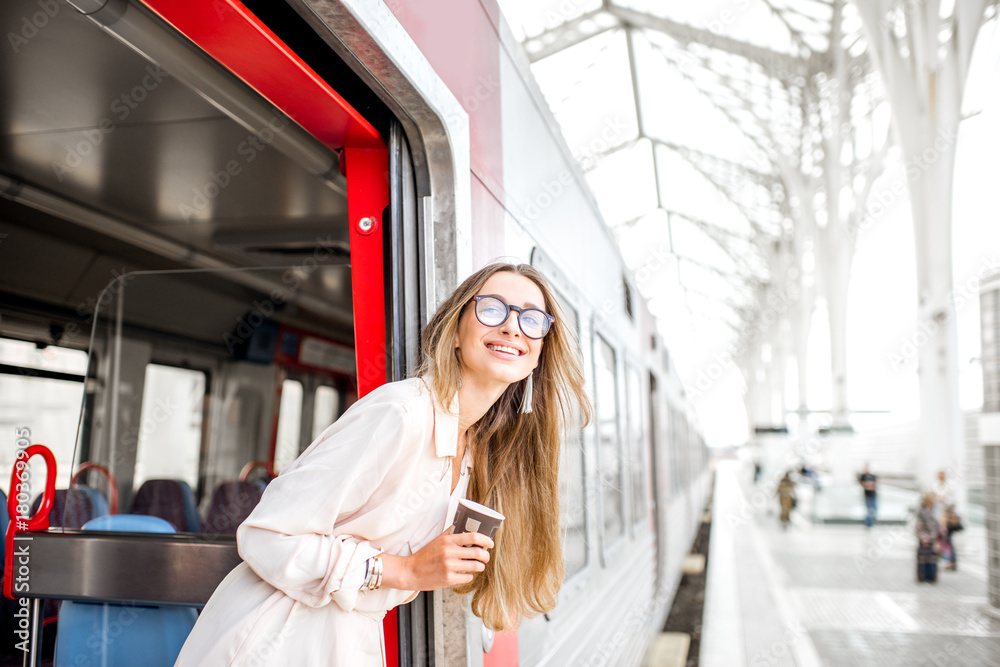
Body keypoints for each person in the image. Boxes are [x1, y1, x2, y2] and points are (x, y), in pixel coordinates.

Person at [175, 263, 591, 665]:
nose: (512, 326)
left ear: (538, 352)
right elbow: (267, 537)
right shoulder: (401, 414)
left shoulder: (475, 447)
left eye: (532, 318)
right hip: (273, 638)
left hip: (344, 641)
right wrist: (404, 570)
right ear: (456, 331)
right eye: (492, 309)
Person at [932, 470, 958, 570]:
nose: (941, 478)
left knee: (949, 540)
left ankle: (951, 562)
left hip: (946, 518)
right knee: (939, 540)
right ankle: (942, 560)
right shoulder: (935, 487)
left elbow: (952, 502)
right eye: (939, 476)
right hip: (938, 518)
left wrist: (944, 499)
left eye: (942, 476)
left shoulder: (949, 488)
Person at [915, 492, 941, 582]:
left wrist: (936, 536)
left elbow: (937, 524)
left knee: (932, 557)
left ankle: (931, 575)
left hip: (933, 536)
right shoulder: (921, 510)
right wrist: (924, 537)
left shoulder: (936, 510)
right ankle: (922, 575)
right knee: (923, 557)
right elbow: (919, 525)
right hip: (924, 537)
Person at [858, 463, 877, 528]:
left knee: (874, 509)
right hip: (867, 496)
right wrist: (868, 485)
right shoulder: (863, 476)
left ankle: (872, 522)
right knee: (869, 510)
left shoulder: (873, 476)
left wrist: (868, 485)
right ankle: (869, 524)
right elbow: (863, 484)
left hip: (874, 495)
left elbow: (873, 485)